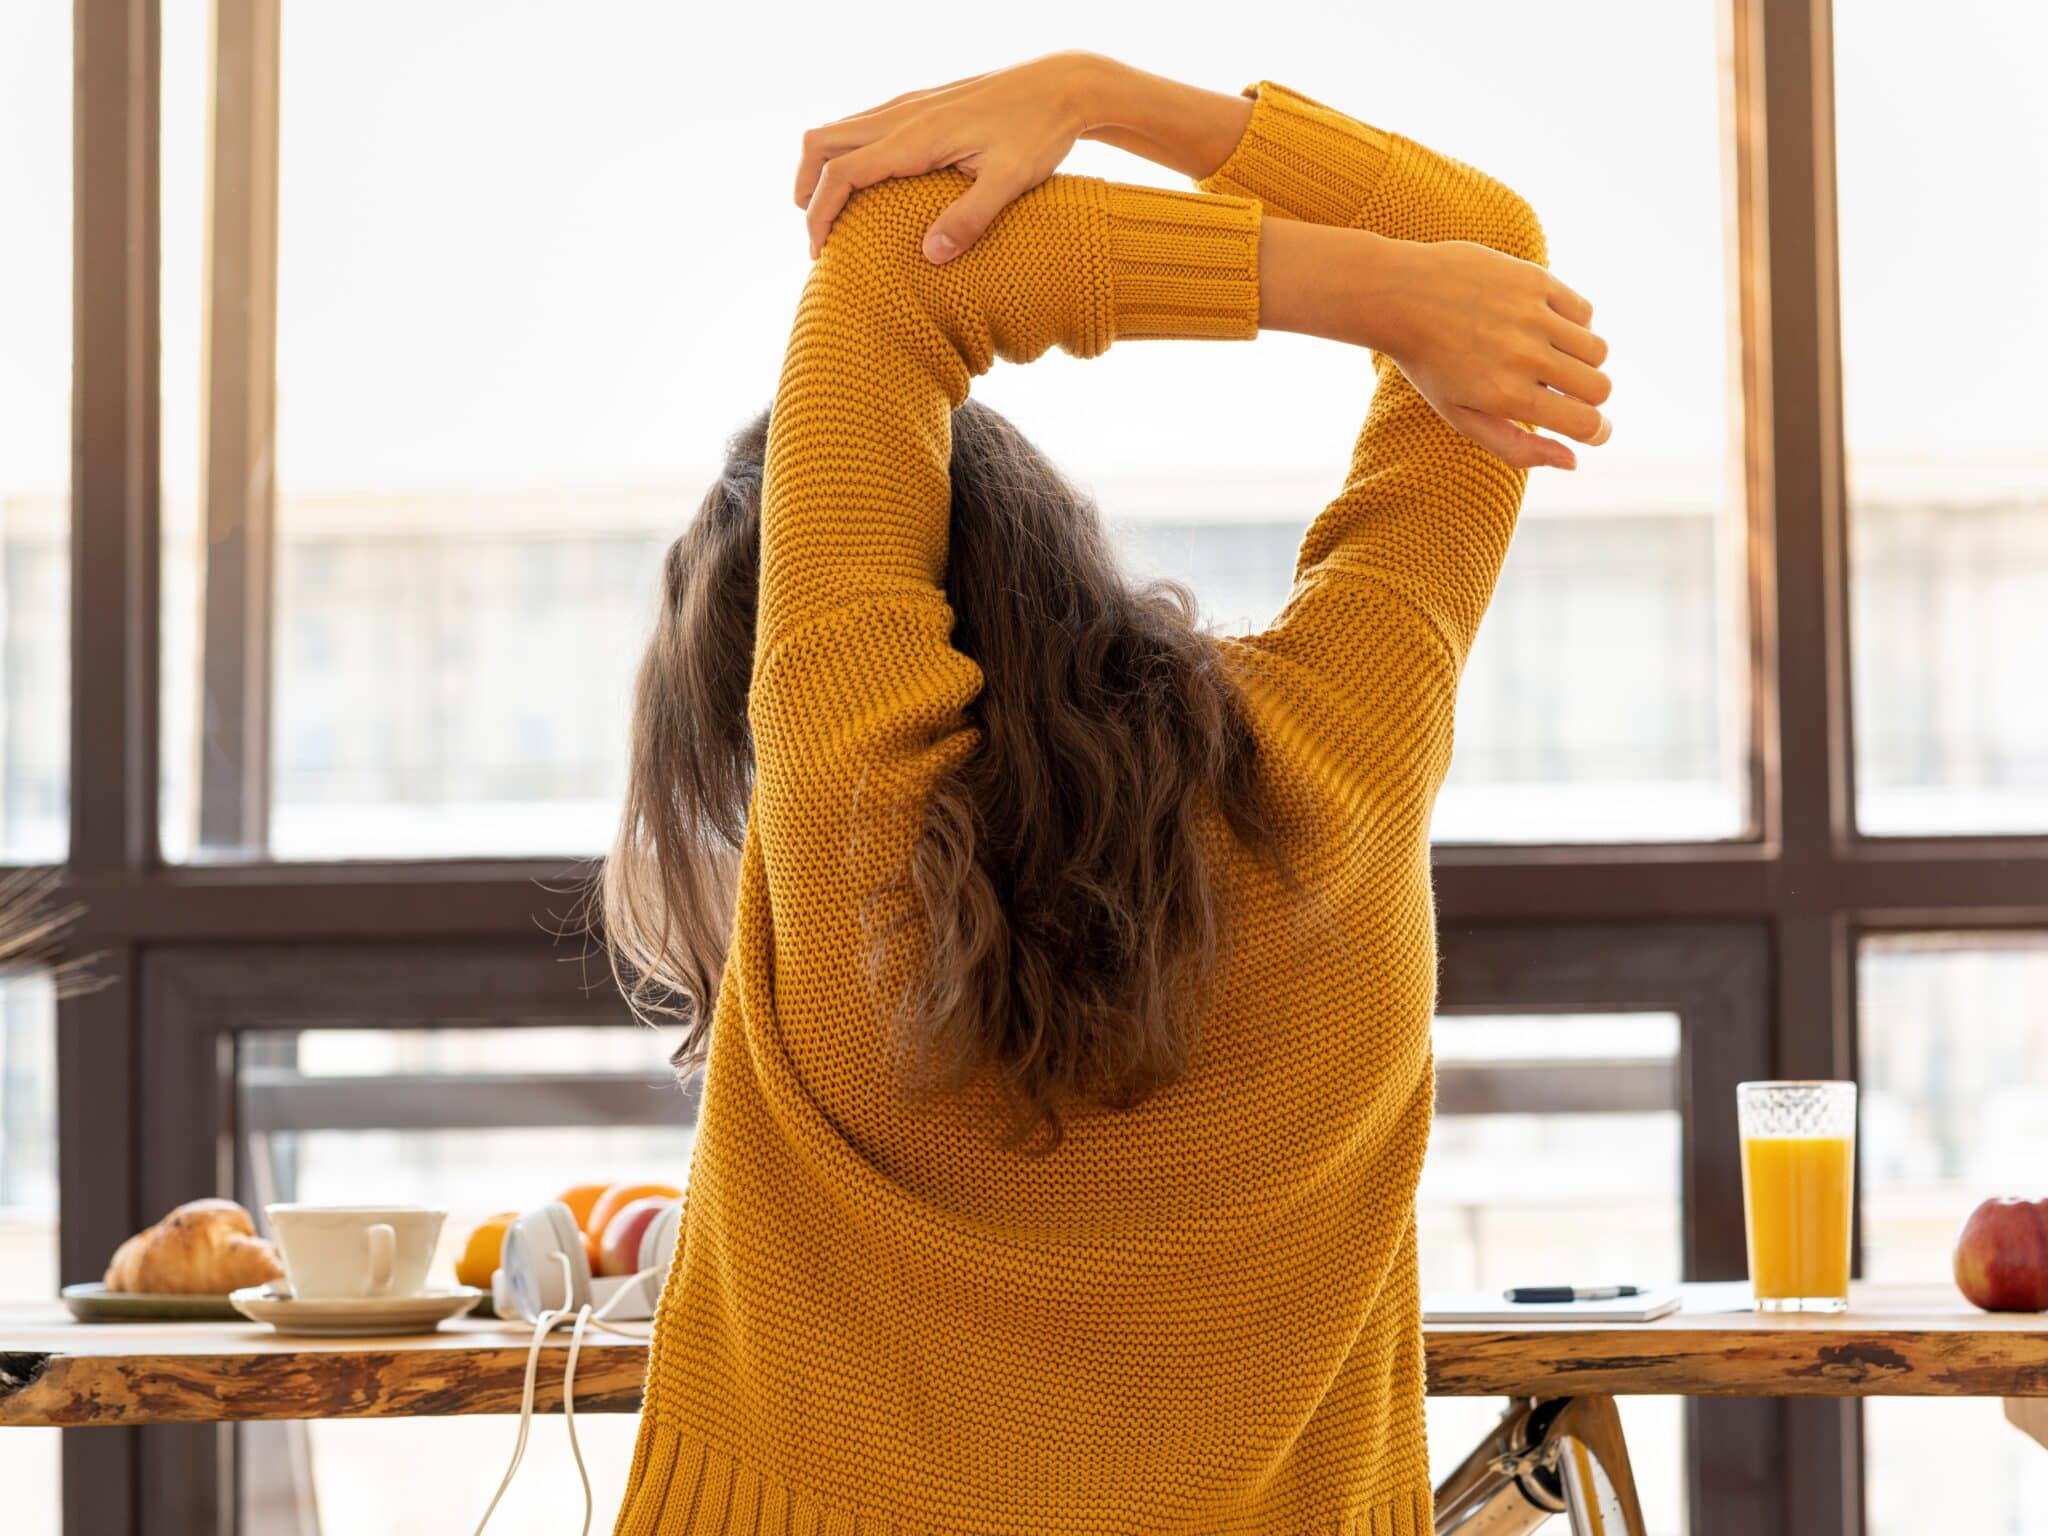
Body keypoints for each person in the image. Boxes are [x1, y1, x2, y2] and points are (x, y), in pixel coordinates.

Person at [602, 51, 1611, 1536]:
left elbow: (888, 272)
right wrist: (1104, 97)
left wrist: (1392, 296)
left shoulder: (848, 805)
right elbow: (1489, 265)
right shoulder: (1344, 747)